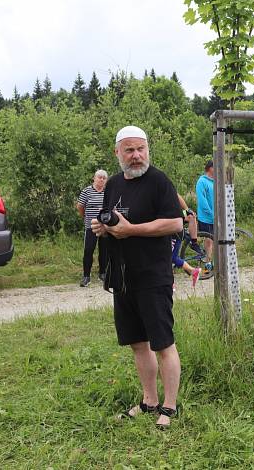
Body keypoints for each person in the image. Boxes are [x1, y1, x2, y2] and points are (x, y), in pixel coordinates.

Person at [91, 126, 183, 428]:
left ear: (147, 149)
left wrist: (132, 230)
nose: (136, 155)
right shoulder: (114, 184)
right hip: (123, 277)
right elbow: (111, 219)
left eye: (140, 149)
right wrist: (101, 227)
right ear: (117, 152)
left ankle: (169, 407)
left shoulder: (158, 181)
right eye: (129, 150)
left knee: (162, 343)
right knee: (137, 343)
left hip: (153, 275)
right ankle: (149, 400)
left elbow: (174, 224)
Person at [76, 169, 108, 287]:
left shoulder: (108, 191)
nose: (101, 179)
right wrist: (85, 216)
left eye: (104, 178)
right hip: (91, 226)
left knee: (104, 251)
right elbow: (80, 206)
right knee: (88, 251)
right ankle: (86, 276)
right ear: (94, 178)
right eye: (99, 177)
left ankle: (102, 273)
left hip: (105, 227)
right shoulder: (87, 191)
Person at [195, 159, 215, 264]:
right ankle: (208, 262)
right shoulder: (202, 181)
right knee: (209, 239)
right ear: (210, 168)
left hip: (216, 216)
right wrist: (211, 213)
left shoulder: (215, 181)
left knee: (216, 239)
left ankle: (214, 261)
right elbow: (202, 201)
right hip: (206, 217)